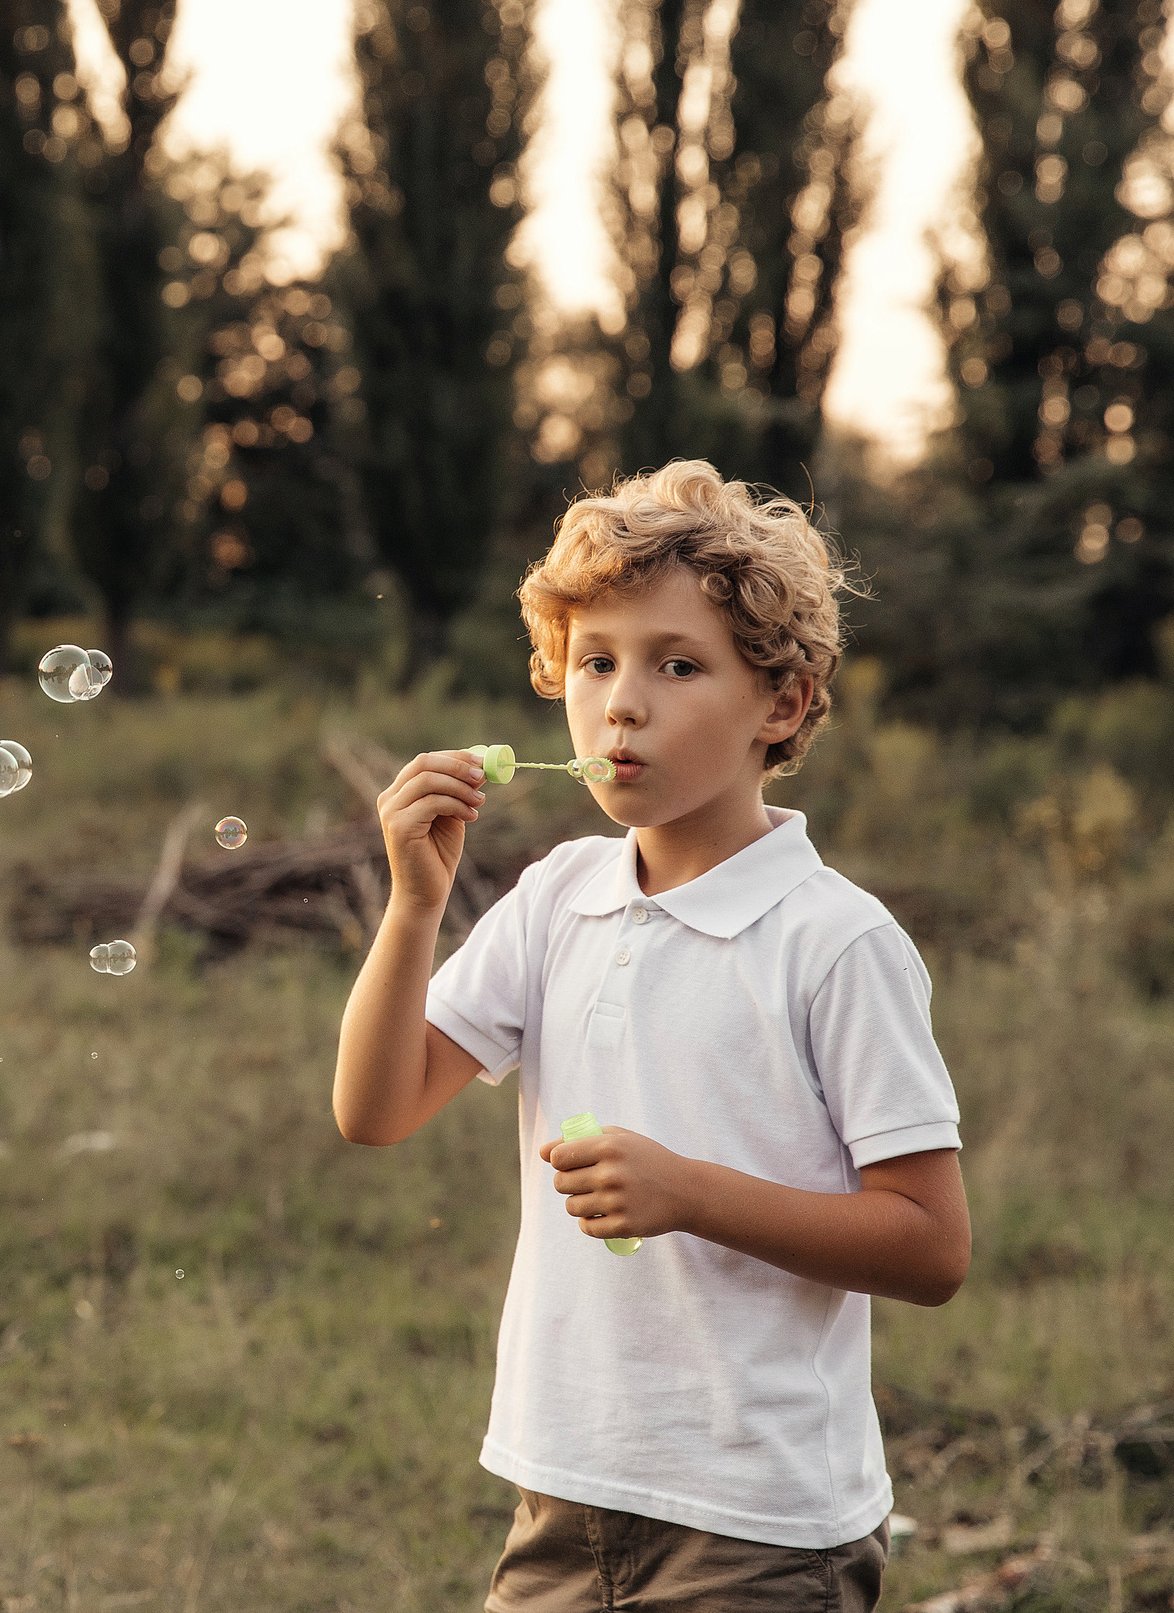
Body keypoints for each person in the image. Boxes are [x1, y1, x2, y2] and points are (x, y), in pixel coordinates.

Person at [333, 459, 968, 1611]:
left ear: (780, 702)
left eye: (677, 665)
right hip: (562, 1491)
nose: (621, 703)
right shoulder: (555, 894)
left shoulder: (831, 940)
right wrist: (414, 907)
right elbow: (374, 1113)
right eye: (594, 662)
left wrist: (690, 1193)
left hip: (759, 1528)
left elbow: (930, 1249)